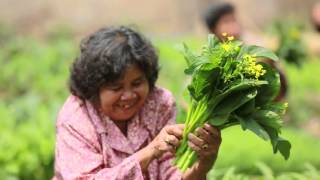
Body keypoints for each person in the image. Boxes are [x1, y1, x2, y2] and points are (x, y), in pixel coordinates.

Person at [52, 26, 221, 180]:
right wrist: (150, 151)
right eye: (116, 87)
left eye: (137, 83)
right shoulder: (76, 117)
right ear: (94, 88)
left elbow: (170, 174)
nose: (128, 96)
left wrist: (202, 166)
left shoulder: (159, 104)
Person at [203, 2, 287, 101]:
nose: (233, 26)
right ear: (213, 29)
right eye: (226, 22)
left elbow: (281, 83)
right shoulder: (210, 54)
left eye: (234, 20)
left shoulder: (253, 43)